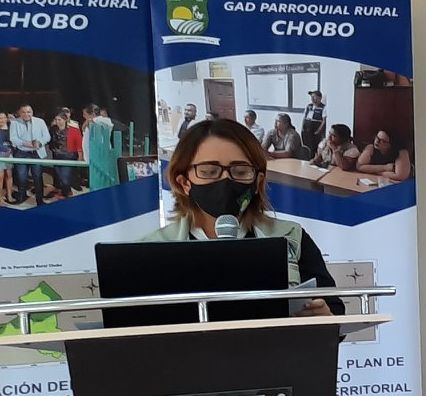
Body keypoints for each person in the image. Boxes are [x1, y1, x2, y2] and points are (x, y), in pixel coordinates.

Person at [147, 117, 343, 317]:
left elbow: (335, 310)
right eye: (209, 171)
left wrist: (323, 317)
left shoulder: (292, 237)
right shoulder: (151, 249)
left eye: (240, 172)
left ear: (257, 182)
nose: (225, 181)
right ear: (184, 183)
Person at [8, 105, 49, 205]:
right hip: (22, 153)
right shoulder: (14, 123)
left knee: (37, 177)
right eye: (24, 112)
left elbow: (47, 136)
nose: (26, 114)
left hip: (36, 153)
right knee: (21, 177)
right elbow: (13, 138)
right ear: (20, 113)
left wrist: (39, 143)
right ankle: (21, 197)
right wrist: (25, 143)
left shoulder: (40, 122)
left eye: (28, 112)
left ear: (32, 112)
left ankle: (39, 200)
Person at [84, 104, 119, 192]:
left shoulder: (103, 121)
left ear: (92, 114)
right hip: (92, 159)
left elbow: (108, 123)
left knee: (104, 183)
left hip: (102, 157)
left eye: (85, 114)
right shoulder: (90, 123)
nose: (83, 116)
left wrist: (92, 120)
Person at [300, 90, 327, 155]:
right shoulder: (309, 106)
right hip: (306, 129)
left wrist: (318, 131)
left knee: (314, 146)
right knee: (306, 145)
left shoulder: (323, 107)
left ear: (320, 98)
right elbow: (304, 117)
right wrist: (302, 127)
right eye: (311, 97)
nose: (312, 98)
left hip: (315, 129)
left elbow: (324, 121)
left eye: (314, 97)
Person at [0, 112, 12, 205]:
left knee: (9, 175)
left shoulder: (11, 128)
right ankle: (0, 198)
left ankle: (9, 195)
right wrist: (6, 149)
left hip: (10, 154)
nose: (2, 120)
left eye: (4, 117)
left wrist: (11, 150)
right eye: (0, 118)